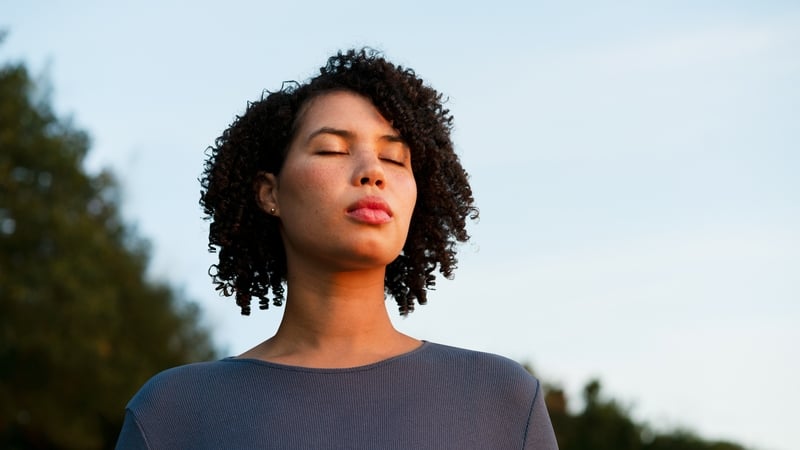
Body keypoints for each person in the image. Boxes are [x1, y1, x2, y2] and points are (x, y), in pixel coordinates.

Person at [116, 48, 558, 449]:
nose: (372, 172)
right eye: (332, 149)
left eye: (394, 159)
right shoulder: (171, 414)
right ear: (269, 193)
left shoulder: (503, 400)